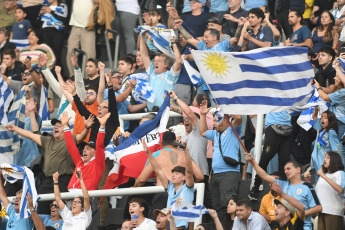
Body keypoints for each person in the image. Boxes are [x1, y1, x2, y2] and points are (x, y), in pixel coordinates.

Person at [6, 114, 90, 214]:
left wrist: (87, 127)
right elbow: (30, 135)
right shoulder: (47, 141)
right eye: (55, 126)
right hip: (48, 180)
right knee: (41, 207)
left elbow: (81, 137)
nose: (55, 127)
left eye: (59, 125)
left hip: (64, 180)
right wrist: (15, 128)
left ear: (65, 129)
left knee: (61, 210)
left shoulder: (70, 139)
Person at [246, 154, 322, 230]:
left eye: (288, 169)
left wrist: (300, 214)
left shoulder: (307, 186)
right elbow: (264, 176)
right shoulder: (283, 184)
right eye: (285, 170)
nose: (286, 171)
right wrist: (253, 162)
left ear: (298, 169)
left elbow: (319, 208)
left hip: (303, 227)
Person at [199, 100, 242, 221]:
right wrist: (202, 115)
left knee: (228, 205)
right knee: (217, 208)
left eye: (215, 120)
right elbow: (202, 131)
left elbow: (237, 117)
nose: (213, 123)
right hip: (216, 175)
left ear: (224, 120)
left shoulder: (233, 130)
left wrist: (226, 102)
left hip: (229, 174)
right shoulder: (215, 134)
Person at [143, 138, 194, 229]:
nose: (173, 175)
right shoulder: (170, 187)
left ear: (184, 177)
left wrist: (186, 152)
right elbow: (158, 170)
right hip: (170, 227)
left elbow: (189, 171)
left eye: (177, 174)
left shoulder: (188, 187)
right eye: (173, 173)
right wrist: (148, 153)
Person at [249, 111, 292, 201]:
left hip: (287, 128)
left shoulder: (290, 97)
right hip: (273, 126)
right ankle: (256, 185)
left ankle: (283, 189)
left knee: (284, 160)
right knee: (266, 156)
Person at [62, 111, 110, 190]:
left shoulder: (98, 163)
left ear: (95, 153)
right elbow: (71, 146)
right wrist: (65, 126)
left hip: (86, 196)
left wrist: (102, 127)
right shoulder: (79, 161)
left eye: (88, 149)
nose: (84, 151)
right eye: (84, 149)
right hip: (70, 195)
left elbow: (100, 146)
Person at [169, 91, 209, 177]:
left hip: (201, 173)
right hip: (186, 175)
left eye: (189, 119)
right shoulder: (182, 138)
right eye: (184, 119)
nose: (186, 120)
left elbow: (189, 113)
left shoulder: (199, 131)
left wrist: (175, 97)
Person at [139, 34, 182, 111]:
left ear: (166, 65)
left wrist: (173, 43)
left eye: (158, 61)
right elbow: (144, 55)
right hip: (151, 113)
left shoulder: (170, 75)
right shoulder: (152, 73)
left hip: (166, 113)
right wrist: (142, 37)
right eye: (155, 61)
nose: (155, 63)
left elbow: (178, 61)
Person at [315, 151, 345, 230]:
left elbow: (340, 189)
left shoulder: (340, 173)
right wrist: (307, 181)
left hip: (334, 212)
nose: (324, 159)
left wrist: (323, 176)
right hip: (321, 211)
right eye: (324, 157)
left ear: (335, 159)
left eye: (328, 157)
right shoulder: (323, 175)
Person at [66, 0, 95, 75]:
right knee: (70, 53)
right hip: (75, 26)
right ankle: (73, 77)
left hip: (88, 27)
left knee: (89, 55)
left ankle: (89, 78)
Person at [40, 0, 68, 68]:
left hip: (57, 32)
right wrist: (40, 14)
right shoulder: (44, 6)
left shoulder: (62, 6)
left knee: (56, 56)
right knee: (46, 55)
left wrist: (51, 12)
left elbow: (63, 20)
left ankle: (58, 75)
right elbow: (38, 22)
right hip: (45, 32)